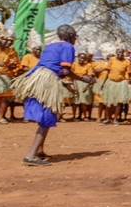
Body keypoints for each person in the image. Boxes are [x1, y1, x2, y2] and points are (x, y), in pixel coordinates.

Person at [12, 24, 94, 165]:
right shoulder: (68, 47)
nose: (75, 39)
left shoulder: (50, 46)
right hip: (47, 81)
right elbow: (66, 71)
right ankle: (30, 156)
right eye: (75, 36)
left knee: (45, 116)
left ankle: (39, 151)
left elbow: (52, 68)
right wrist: (83, 78)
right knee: (47, 116)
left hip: (37, 78)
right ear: (69, 36)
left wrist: (63, 83)